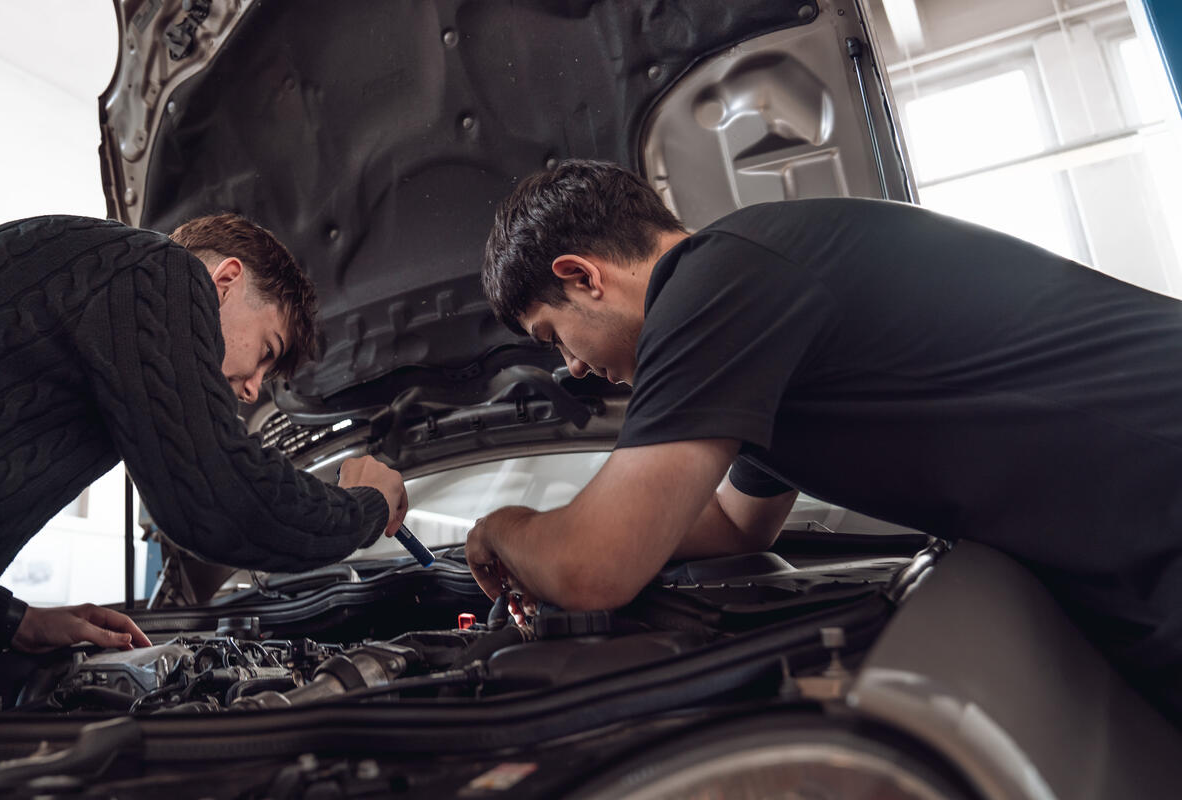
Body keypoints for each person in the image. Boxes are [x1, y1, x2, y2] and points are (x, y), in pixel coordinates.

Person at [466, 159, 1182, 723]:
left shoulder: (715, 282)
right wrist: (560, 538)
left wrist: (505, 530)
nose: (572, 368)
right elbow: (736, 524)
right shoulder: (744, 297)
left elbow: (596, 570)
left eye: (552, 337)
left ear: (582, 276)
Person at [0, 213, 407, 773]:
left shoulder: (93, 280)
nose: (252, 388)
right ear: (224, 280)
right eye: (267, 353)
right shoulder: (160, 270)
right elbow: (216, 500)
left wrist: (12, 621)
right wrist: (364, 505)